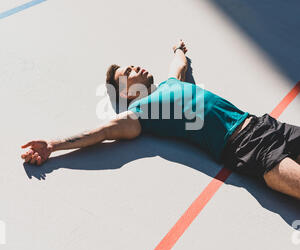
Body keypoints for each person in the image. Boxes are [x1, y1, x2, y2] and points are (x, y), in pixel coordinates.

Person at [21, 40, 300, 198]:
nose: (134, 68)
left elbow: (179, 65)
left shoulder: (169, 83)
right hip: (246, 146)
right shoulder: (140, 113)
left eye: (131, 65)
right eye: (127, 74)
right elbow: (102, 132)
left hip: (264, 124)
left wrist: (178, 49)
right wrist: (53, 145)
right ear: (127, 94)